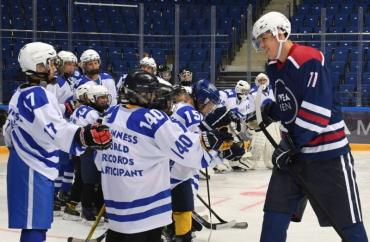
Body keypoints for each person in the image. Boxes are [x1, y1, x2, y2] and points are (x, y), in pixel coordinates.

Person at [251, 11, 368, 242]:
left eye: (264, 38)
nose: (261, 45)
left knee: (349, 228)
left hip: (328, 157)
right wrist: (270, 112)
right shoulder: (274, 68)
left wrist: (290, 143)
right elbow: (291, 105)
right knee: (273, 218)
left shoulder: (309, 58)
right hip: (294, 157)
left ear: (280, 33)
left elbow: (317, 111)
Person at [94, 71, 233, 242]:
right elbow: (189, 151)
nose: (158, 98)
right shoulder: (151, 118)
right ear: (141, 94)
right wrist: (212, 141)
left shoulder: (110, 114)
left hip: (116, 209)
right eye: (153, 93)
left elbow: (99, 161)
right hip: (146, 211)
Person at [2, 42, 112, 242]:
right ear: (38, 66)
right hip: (32, 167)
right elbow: (55, 127)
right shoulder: (37, 95)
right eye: (51, 63)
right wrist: (84, 135)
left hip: (25, 164)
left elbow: (9, 132)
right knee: (35, 226)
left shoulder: (21, 92)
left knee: (37, 224)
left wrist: (68, 108)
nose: (55, 67)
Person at [246, 73, 280, 170]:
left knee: (273, 142)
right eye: (260, 80)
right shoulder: (253, 92)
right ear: (257, 81)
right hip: (259, 119)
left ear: (267, 80)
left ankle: (271, 161)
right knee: (258, 143)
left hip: (272, 120)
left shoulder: (273, 89)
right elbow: (251, 107)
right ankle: (251, 162)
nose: (262, 82)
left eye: (263, 80)